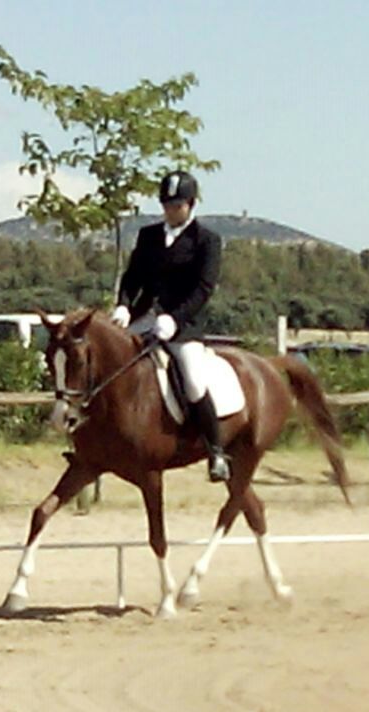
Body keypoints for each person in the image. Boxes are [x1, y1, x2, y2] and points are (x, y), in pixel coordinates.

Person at [111, 170, 229, 482]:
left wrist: (173, 320)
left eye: (177, 206)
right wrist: (124, 305)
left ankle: (215, 451)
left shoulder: (207, 241)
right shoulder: (148, 235)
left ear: (190, 205)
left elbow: (203, 289)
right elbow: (132, 275)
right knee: (109, 363)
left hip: (183, 324)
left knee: (192, 380)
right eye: (166, 205)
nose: (171, 211)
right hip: (144, 317)